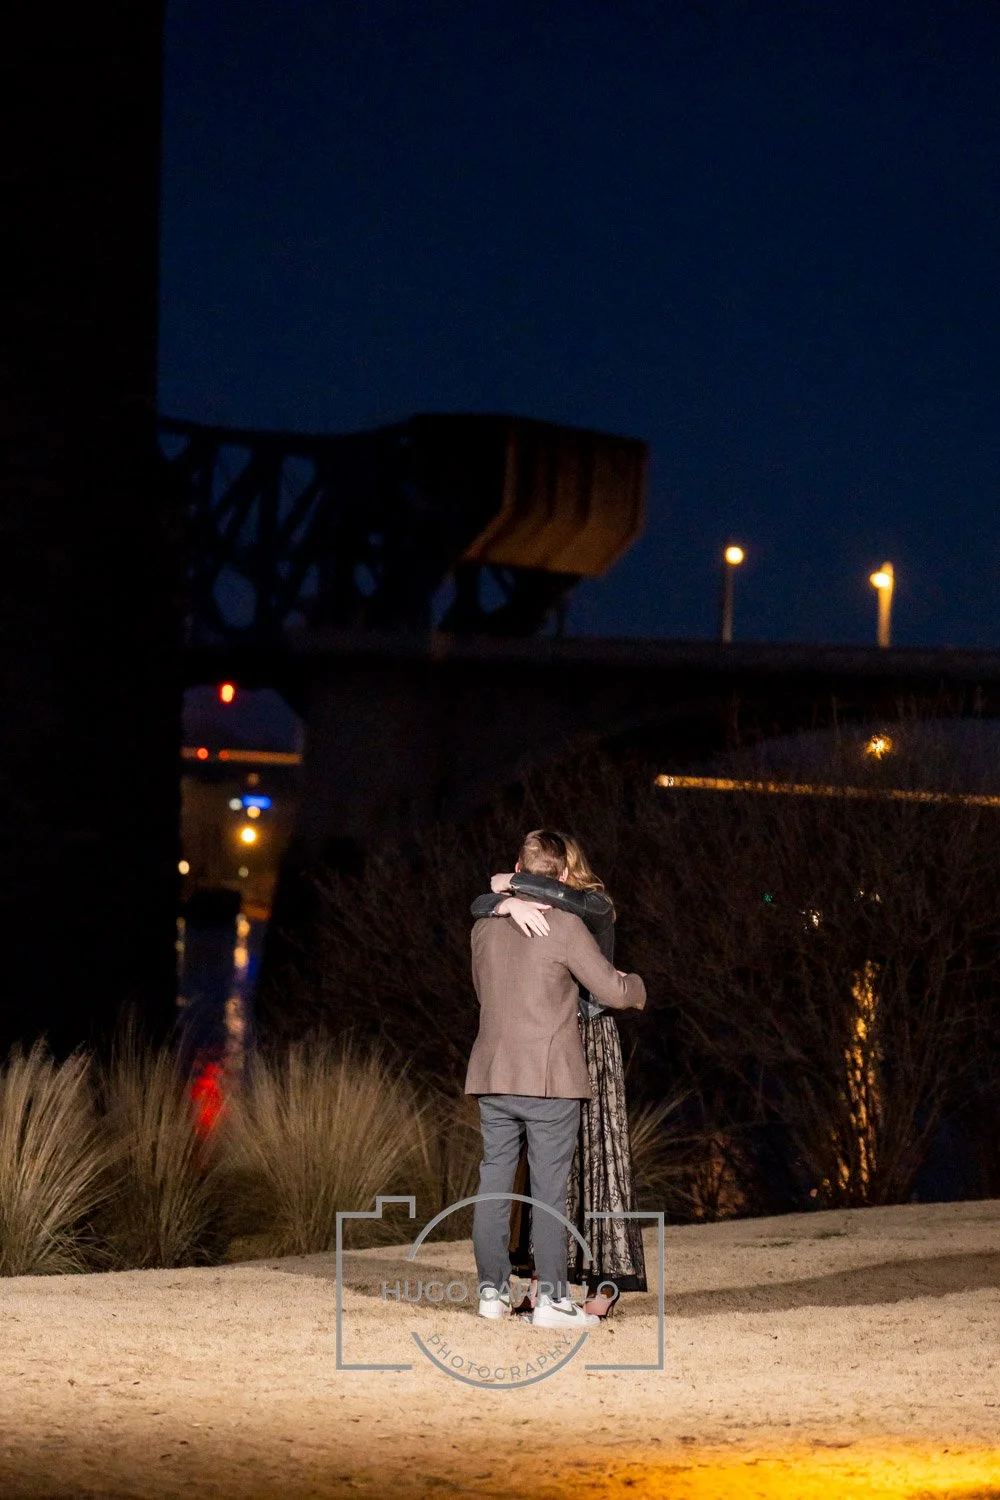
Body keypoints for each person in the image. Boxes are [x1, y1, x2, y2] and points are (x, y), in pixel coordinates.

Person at [466, 829, 647, 1328]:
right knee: (549, 1191)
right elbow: (610, 990)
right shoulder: (566, 926)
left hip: (492, 1073)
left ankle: (491, 1293)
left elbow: (484, 991)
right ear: (564, 876)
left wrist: (503, 899)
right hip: (549, 1078)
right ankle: (550, 1301)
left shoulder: (483, 926)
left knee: (494, 1185)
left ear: (518, 869)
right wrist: (639, 987)